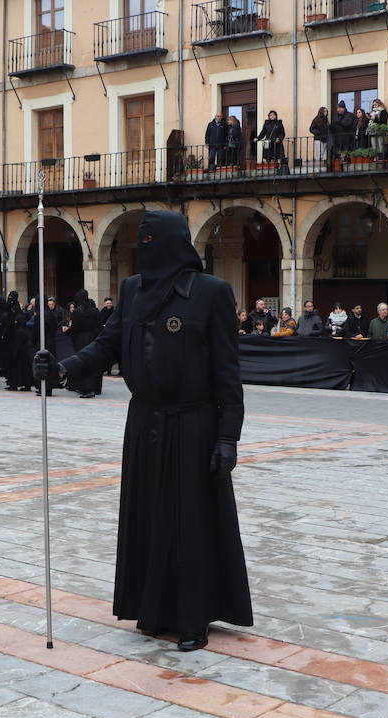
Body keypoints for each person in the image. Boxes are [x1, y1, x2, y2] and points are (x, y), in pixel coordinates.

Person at [44, 209, 252, 651]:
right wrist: (63, 368)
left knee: (190, 522)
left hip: (194, 423)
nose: (144, 248)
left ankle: (194, 617)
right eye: (141, 240)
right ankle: (154, 609)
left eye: (151, 239)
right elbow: (108, 344)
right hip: (145, 423)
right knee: (150, 518)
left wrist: (227, 437)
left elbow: (228, 374)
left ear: (173, 242)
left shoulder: (210, 293)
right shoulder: (132, 290)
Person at [69, 290, 104, 398]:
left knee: (82, 364)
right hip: (92, 339)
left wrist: (73, 341)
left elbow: (74, 329)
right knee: (93, 363)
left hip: (81, 339)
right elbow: (99, 327)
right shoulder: (95, 311)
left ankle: (85, 388)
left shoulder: (77, 312)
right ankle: (94, 387)